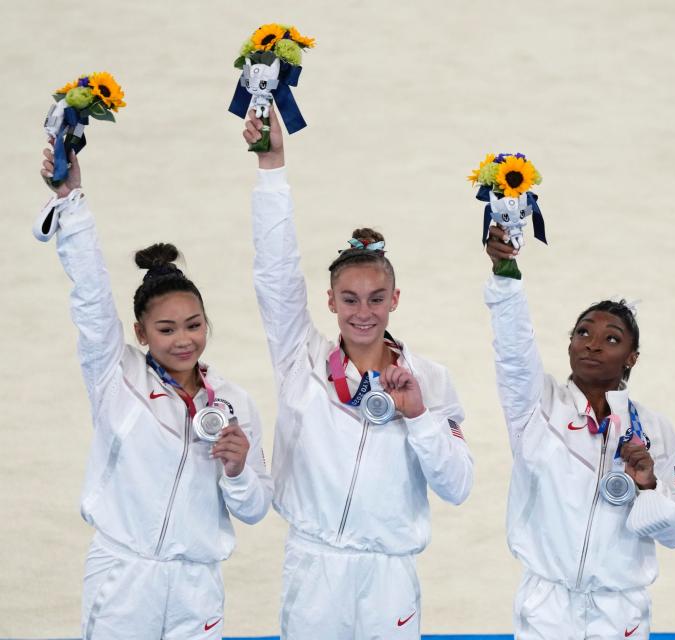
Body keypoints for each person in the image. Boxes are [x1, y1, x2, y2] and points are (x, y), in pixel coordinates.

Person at [242, 109, 474, 639]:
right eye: (349, 299)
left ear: (395, 299)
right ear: (330, 301)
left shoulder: (429, 380)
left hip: (389, 574)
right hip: (313, 565)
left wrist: (418, 418)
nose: (362, 311)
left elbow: (458, 486)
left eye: (375, 298)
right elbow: (275, 275)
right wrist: (271, 168)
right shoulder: (300, 357)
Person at [35, 145, 273, 639]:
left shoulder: (232, 403)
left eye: (194, 325)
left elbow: (253, 509)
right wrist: (71, 200)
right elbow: (91, 298)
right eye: (166, 330)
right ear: (141, 334)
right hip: (124, 576)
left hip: (198, 585)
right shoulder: (113, 375)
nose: (183, 339)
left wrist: (236, 469)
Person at [483, 225, 675, 640]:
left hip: (622, 612)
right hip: (546, 605)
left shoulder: (654, 431)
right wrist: (505, 275)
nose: (592, 345)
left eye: (610, 339)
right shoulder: (537, 405)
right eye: (583, 333)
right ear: (569, 344)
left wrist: (649, 486)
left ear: (631, 357)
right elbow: (513, 351)